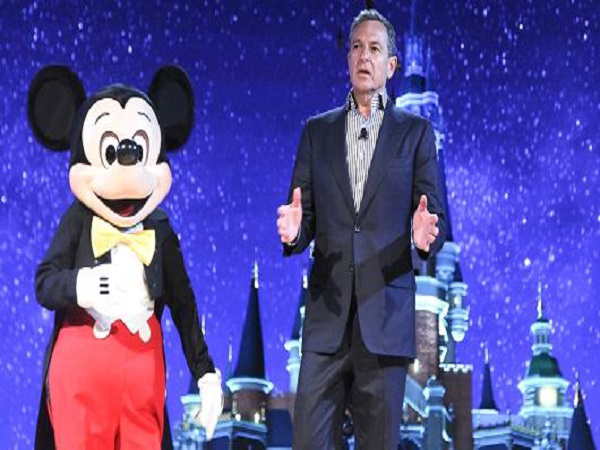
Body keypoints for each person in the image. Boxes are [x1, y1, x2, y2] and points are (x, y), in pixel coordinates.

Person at [276, 9, 446, 449]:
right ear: (348, 59)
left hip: (385, 319)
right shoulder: (317, 132)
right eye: (356, 47)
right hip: (326, 321)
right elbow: (304, 213)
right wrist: (295, 232)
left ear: (391, 65)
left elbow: (435, 217)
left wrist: (424, 237)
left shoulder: (416, 134)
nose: (363, 56)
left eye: (374, 48)